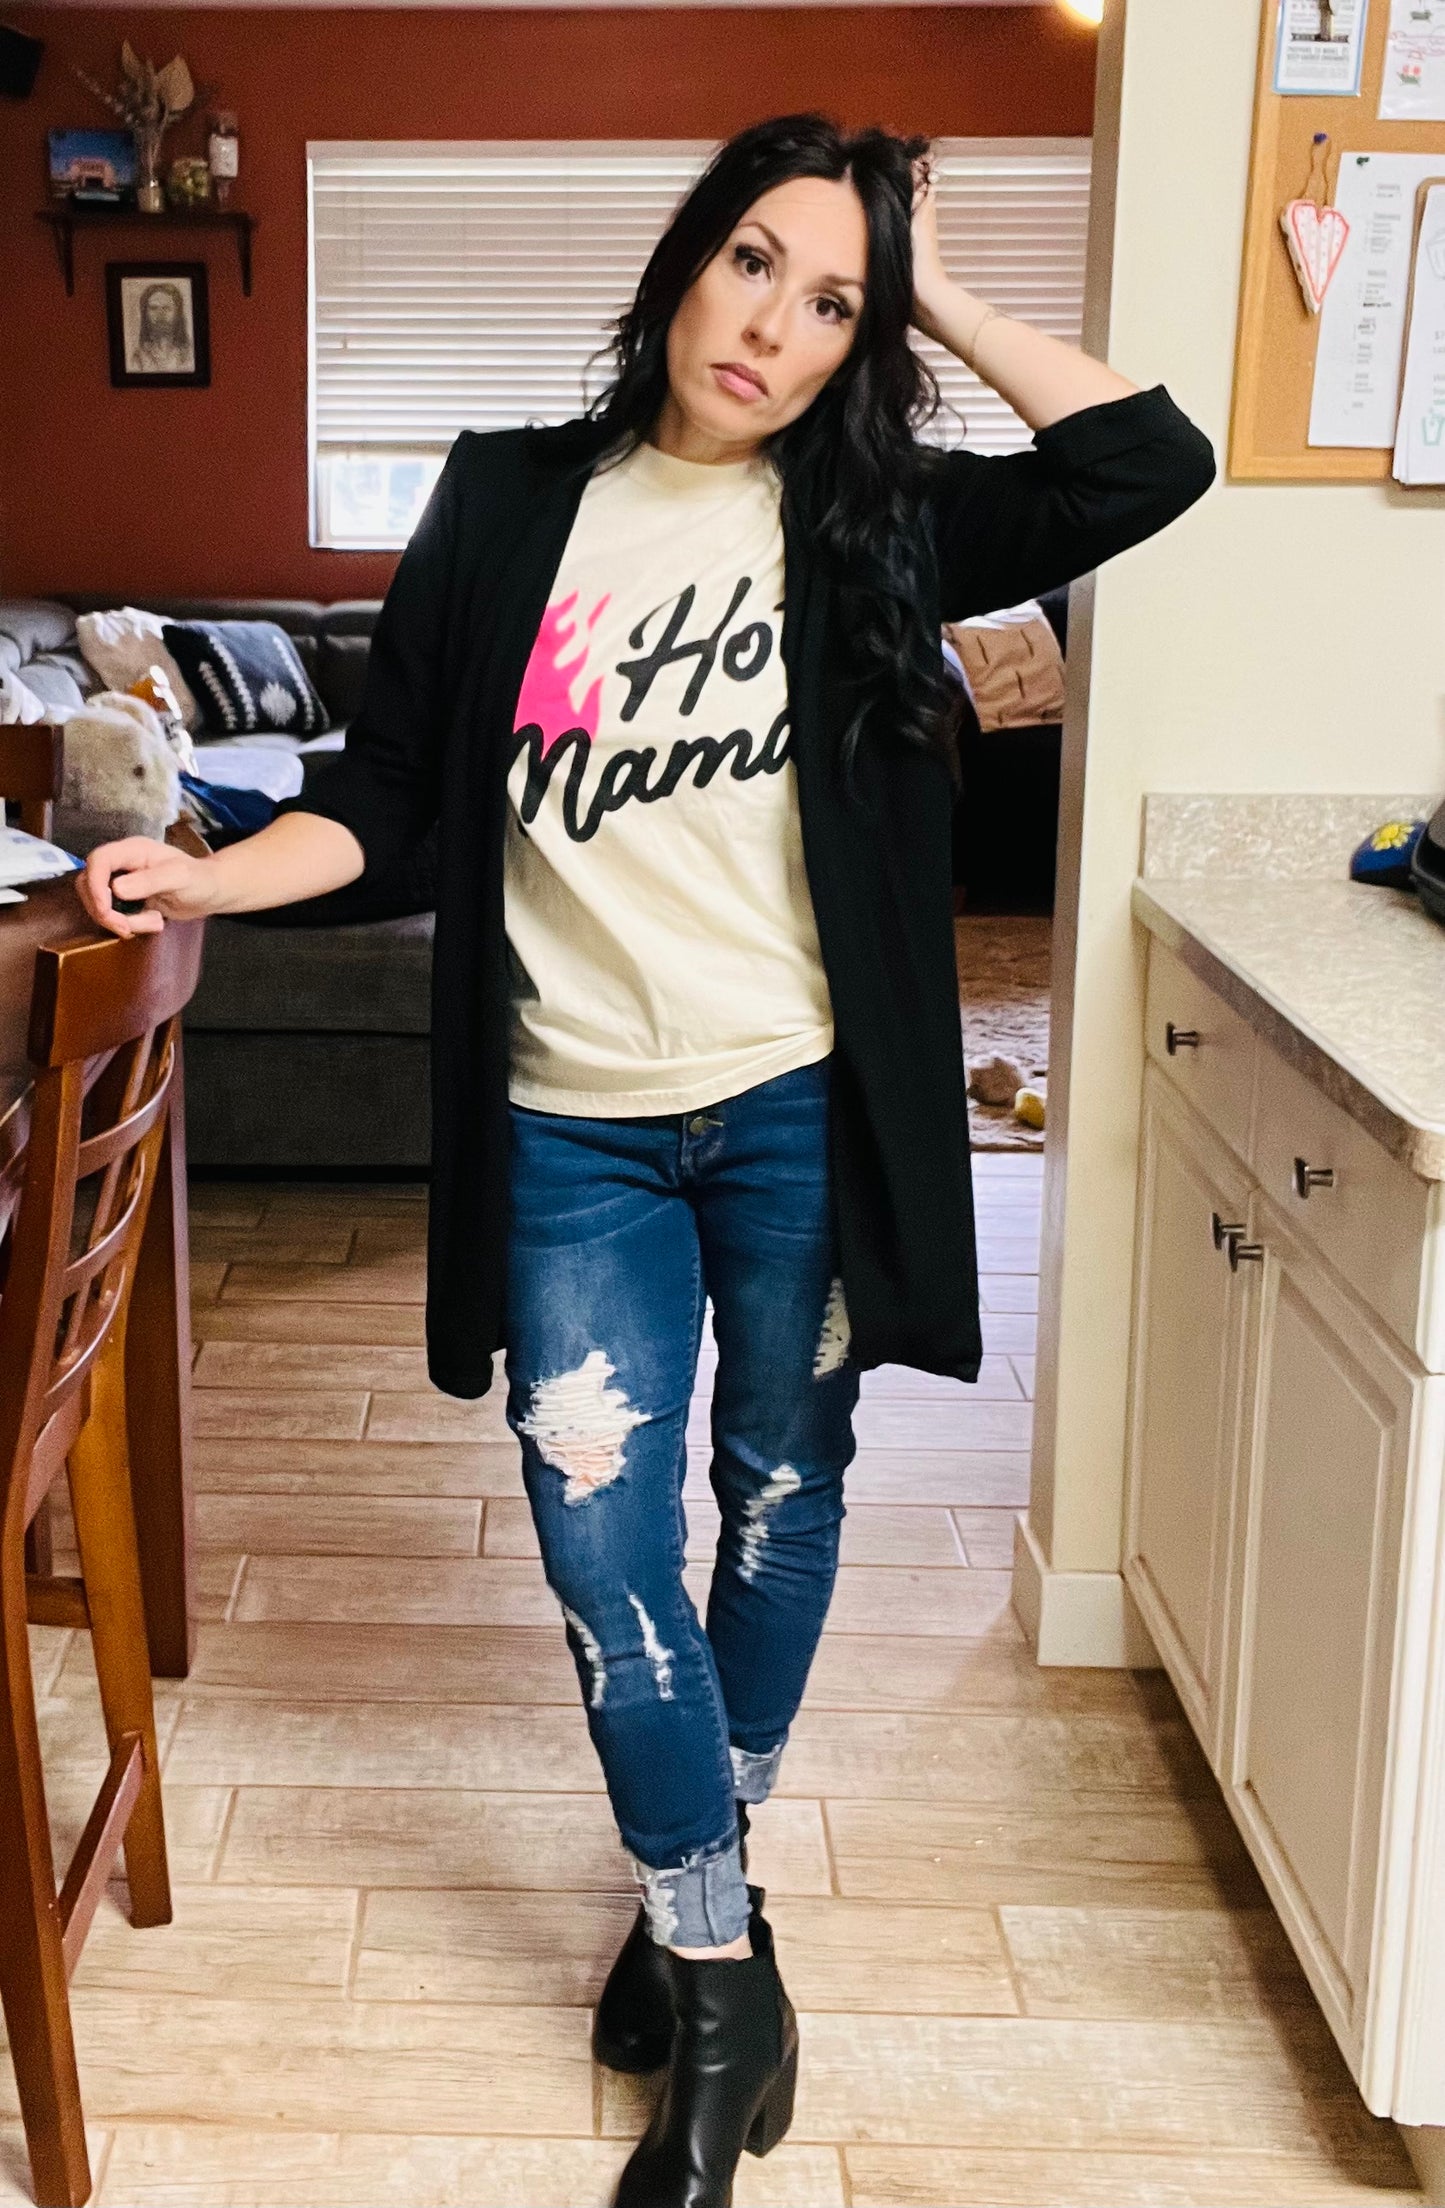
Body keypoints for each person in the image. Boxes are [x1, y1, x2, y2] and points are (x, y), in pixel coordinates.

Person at [80, 112, 1215, 2208]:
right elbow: (401, 799)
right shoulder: (512, 495)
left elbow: (1150, 465)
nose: (776, 327)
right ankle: (721, 1975)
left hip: (799, 1111)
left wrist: (939, 282)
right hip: (572, 1129)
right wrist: (216, 870)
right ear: (685, 259)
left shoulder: (870, 521)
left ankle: (691, 1898)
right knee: (607, 1562)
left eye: (834, 303)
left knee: (780, 1508)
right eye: (756, 264)